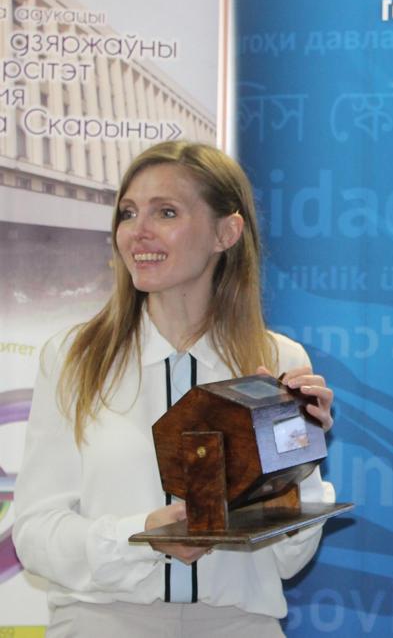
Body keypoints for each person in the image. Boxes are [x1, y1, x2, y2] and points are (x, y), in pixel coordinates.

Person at [13, 141, 336, 637]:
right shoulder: (74, 359)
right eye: (128, 213)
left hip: (239, 625)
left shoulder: (279, 362)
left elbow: (290, 558)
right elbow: (36, 535)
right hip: (102, 622)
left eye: (165, 212)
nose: (137, 231)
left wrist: (300, 458)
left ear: (226, 232)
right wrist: (142, 537)